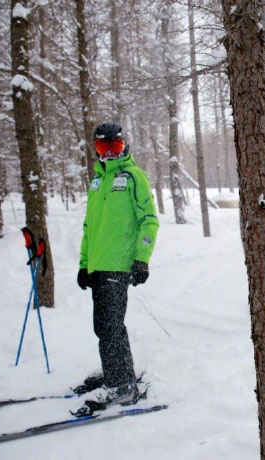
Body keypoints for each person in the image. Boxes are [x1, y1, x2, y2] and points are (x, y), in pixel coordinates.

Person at [77, 122, 159, 406]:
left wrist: (141, 259)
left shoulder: (133, 177)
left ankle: (121, 385)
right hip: (99, 266)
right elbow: (90, 227)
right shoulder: (97, 183)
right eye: (104, 148)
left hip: (119, 265)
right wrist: (84, 264)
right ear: (96, 149)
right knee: (103, 326)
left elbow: (149, 220)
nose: (110, 154)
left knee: (111, 326)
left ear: (124, 146)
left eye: (116, 147)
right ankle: (116, 372)